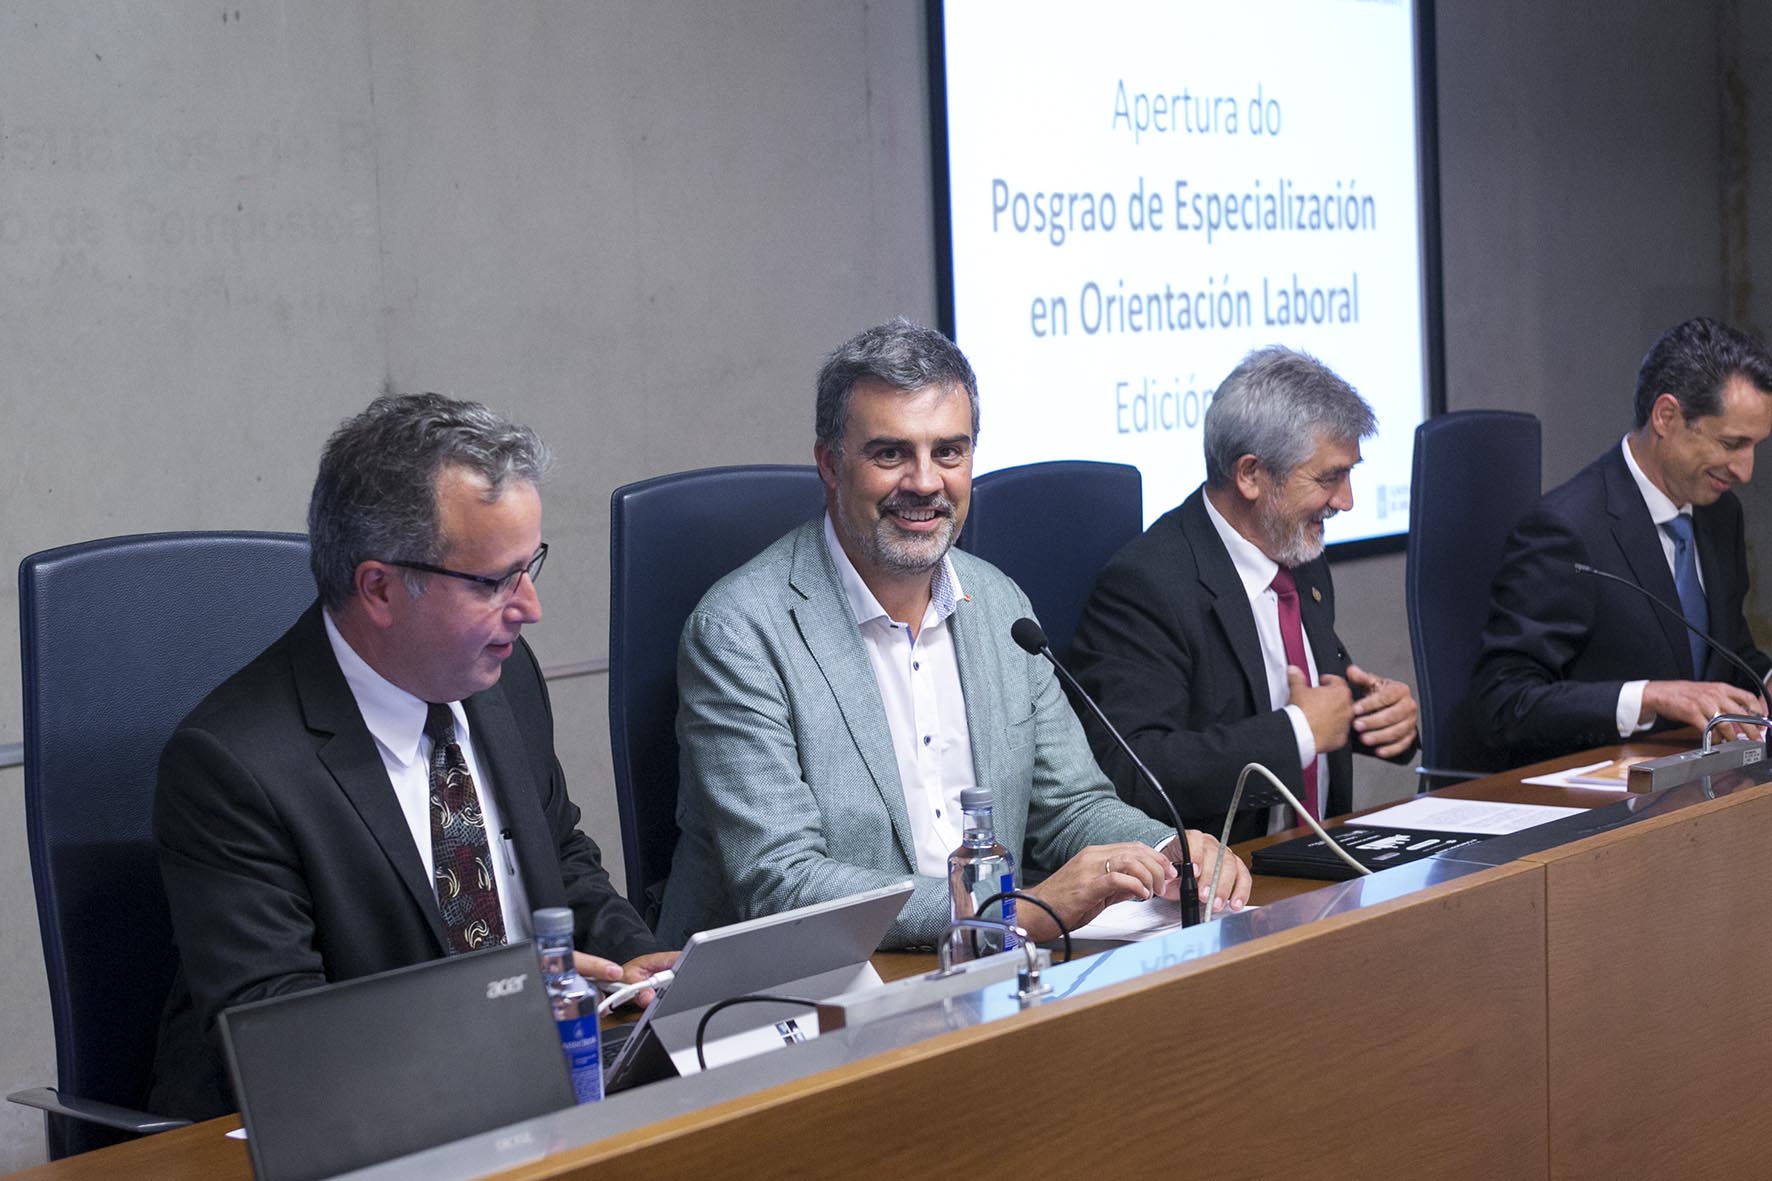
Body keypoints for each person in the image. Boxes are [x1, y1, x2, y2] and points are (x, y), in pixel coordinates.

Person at [150, 394, 673, 1119]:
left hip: (540, 1091)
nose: (529, 607)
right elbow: (276, 1035)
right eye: (494, 581)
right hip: (352, 1126)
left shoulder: (503, 677)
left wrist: (632, 962)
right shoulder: (232, 765)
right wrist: (506, 1000)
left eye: (531, 567)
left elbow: (558, 855)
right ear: (380, 587)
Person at [656, 320, 1250, 949]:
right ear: (830, 464)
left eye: (949, 452)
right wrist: (1008, 909)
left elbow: (1070, 806)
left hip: (986, 968)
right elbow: (783, 883)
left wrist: (1165, 853)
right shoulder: (741, 631)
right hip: (804, 988)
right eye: (891, 453)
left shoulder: (1000, 604)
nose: (925, 482)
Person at [1069, 347, 1420, 844]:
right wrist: (1298, 731)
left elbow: (1290, 695)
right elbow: (1133, 771)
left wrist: (1377, 718)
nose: (1346, 501)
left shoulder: (1303, 557)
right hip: (1222, 881)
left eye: (1349, 474)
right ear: (1251, 474)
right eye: (1327, 478)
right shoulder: (1149, 583)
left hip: (1323, 861)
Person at [1466, 317, 1772, 768]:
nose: (1745, 471)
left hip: (1699, 784)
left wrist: (1764, 677)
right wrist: (1648, 698)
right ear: (1666, 416)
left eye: (1755, 447)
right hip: (1598, 801)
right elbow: (1503, 703)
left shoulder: (1719, 514)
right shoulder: (1566, 529)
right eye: (1732, 444)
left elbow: (1724, 654)